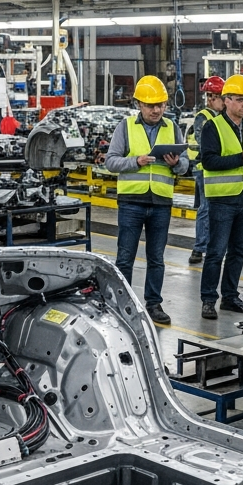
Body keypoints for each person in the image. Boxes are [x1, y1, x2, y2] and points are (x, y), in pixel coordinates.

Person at [104, 74, 188, 326]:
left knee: (156, 258)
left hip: (161, 202)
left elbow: (185, 165)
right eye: (151, 105)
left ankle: (153, 304)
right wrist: (136, 162)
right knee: (125, 257)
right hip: (132, 202)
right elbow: (111, 161)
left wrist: (176, 164)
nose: (157, 110)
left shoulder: (172, 127)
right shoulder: (126, 127)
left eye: (161, 105)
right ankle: (122, 304)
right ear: (139, 104)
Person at [199, 73, 243, 319]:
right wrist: (241, 159)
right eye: (240, 99)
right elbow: (209, 161)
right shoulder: (212, 127)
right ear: (226, 101)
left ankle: (230, 296)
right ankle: (208, 299)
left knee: (238, 251)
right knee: (216, 251)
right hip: (222, 200)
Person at [185, 76, 224, 265]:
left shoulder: (220, 117)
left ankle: (212, 247)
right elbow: (206, 144)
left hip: (216, 169)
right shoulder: (203, 117)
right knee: (206, 209)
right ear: (210, 98)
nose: (225, 102)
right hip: (204, 169)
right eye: (221, 98)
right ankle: (199, 248)